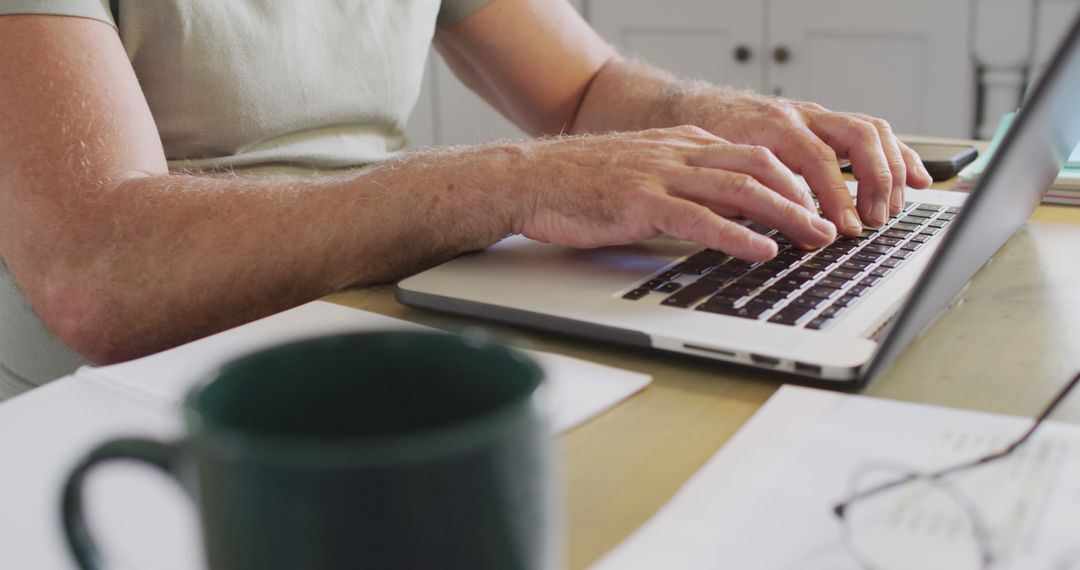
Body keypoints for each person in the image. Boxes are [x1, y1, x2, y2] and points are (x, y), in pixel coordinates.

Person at [0, 0, 932, 397]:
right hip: (144, 394)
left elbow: (584, 85)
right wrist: (506, 183)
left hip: (381, 311)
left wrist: (721, 115)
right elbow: (96, 267)